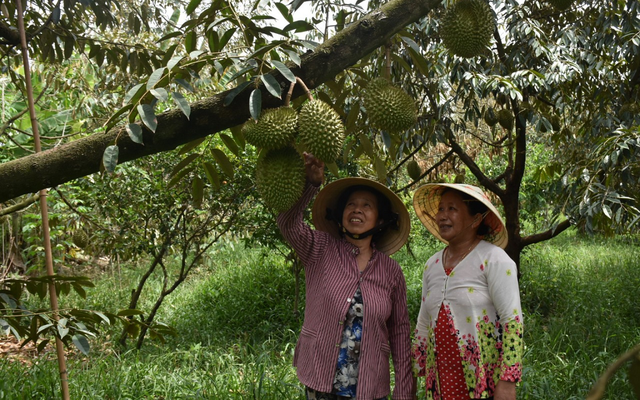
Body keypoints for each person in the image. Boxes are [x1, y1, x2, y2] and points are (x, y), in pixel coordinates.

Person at [276, 152, 415, 400]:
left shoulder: (391, 271)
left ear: (380, 220)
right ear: (341, 214)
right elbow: (288, 224)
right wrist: (311, 184)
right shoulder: (319, 248)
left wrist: (404, 393)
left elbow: (400, 335)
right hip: (321, 382)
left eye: (366, 205)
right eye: (351, 204)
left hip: (370, 389)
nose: (357, 210)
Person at [411, 183, 523, 400]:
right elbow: (423, 323)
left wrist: (508, 382)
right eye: (441, 209)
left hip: (483, 382)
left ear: (476, 219)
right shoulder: (431, 265)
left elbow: (512, 321)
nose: (442, 216)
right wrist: (415, 374)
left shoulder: (495, 259)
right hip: (441, 379)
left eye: (452, 209)